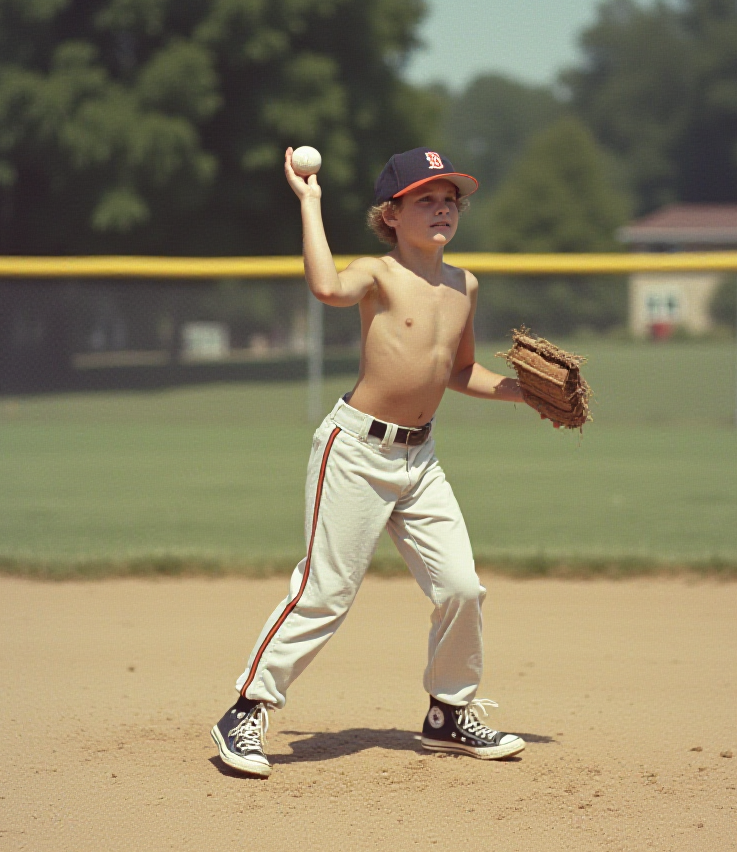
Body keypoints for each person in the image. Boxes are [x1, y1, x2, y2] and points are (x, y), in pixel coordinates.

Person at [211, 147, 527, 778]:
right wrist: (310, 202)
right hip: (354, 451)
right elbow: (327, 287)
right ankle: (246, 710)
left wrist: (519, 390)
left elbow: (460, 370)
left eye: (451, 199)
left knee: (463, 587)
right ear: (393, 212)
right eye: (427, 198)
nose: (443, 208)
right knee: (326, 592)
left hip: (421, 459)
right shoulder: (377, 273)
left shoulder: (464, 285)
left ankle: (449, 712)